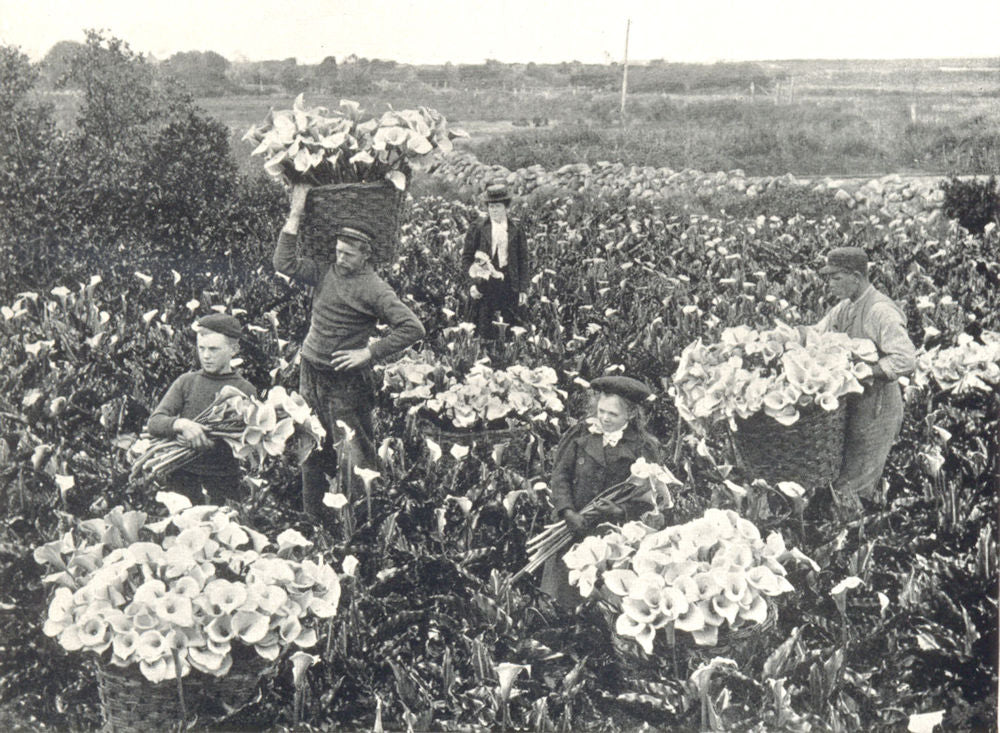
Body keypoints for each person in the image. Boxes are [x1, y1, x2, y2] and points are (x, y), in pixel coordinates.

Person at [274, 184, 426, 519]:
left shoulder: (374, 287)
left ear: (366, 255)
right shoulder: (327, 269)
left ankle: (363, 525)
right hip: (310, 371)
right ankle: (314, 519)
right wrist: (296, 213)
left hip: (346, 381)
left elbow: (413, 326)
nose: (341, 258)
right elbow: (283, 262)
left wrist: (369, 353)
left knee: (354, 454)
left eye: (349, 254)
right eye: (339, 251)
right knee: (309, 443)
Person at [809, 246, 917, 520]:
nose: (829, 284)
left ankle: (852, 545)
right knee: (842, 479)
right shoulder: (845, 308)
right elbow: (816, 334)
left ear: (856, 277)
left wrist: (868, 371)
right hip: (854, 409)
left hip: (877, 411)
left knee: (853, 487)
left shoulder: (881, 311)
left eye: (835, 277)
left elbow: (906, 359)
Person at [541, 376, 663, 607]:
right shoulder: (581, 435)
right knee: (561, 591)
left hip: (612, 534)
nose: (604, 418)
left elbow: (649, 497)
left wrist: (620, 510)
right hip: (573, 526)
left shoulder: (642, 446)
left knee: (603, 594)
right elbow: (561, 476)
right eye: (601, 411)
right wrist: (567, 512)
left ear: (631, 414)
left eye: (613, 414)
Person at [146, 313, 258, 505]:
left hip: (223, 481)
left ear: (233, 349)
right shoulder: (187, 382)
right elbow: (155, 422)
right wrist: (180, 424)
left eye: (214, 349)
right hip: (181, 477)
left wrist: (210, 443)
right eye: (201, 348)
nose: (206, 356)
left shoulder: (246, 390)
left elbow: (247, 442)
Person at [461, 181, 529, 339]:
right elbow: (466, 258)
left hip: (508, 284)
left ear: (506, 207)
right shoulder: (477, 227)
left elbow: (523, 260)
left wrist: (523, 289)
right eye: (491, 207)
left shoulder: (516, 229)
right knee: (482, 329)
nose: (494, 210)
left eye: (497, 206)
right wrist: (472, 284)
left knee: (510, 330)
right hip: (484, 285)